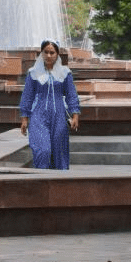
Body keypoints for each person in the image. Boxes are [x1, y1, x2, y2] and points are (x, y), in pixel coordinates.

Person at [19, 39, 80, 169]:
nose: (48, 55)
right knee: (43, 150)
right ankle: (40, 184)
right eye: (45, 52)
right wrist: (24, 118)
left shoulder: (65, 73)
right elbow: (27, 96)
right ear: (41, 53)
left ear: (57, 54)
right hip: (39, 116)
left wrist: (75, 115)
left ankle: (58, 185)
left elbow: (71, 95)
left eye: (52, 52)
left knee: (59, 153)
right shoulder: (33, 73)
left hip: (59, 117)